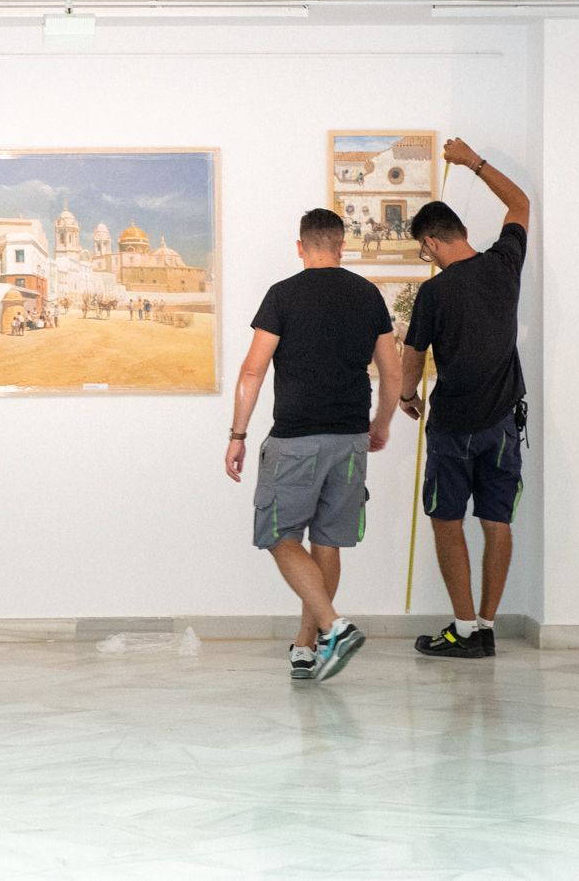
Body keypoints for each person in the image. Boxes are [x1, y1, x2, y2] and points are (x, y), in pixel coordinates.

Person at [226, 208, 400, 682]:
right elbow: (392, 371)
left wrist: (238, 434)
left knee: (280, 536)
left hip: (296, 439)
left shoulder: (283, 294)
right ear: (341, 246)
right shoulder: (367, 295)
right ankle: (308, 648)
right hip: (349, 440)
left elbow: (252, 371)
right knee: (326, 541)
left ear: (300, 246)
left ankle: (333, 627)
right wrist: (380, 423)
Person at [401, 138, 530, 660]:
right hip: (502, 421)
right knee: (496, 522)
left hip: (453, 427)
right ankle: (487, 625)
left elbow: (412, 355)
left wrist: (408, 396)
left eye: (421, 249)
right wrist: (472, 161)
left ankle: (462, 629)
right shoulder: (504, 263)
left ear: (431, 242)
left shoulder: (434, 293)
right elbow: (520, 203)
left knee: (446, 520)